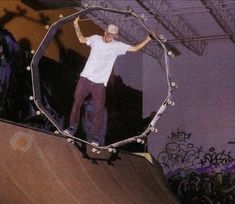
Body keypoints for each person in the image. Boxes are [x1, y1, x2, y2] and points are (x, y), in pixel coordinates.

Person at [64, 17, 152, 146]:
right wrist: (76, 24)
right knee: (77, 102)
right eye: (110, 35)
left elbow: (134, 49)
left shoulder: (117, 46)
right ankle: (72, 128)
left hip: (99, 84)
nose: (111, 38)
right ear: (105, 32)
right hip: (85, 78)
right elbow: (81, 39)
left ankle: (95, 138)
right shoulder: (95, 39)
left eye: (113, 36)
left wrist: (148, 39)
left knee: (99, 110)